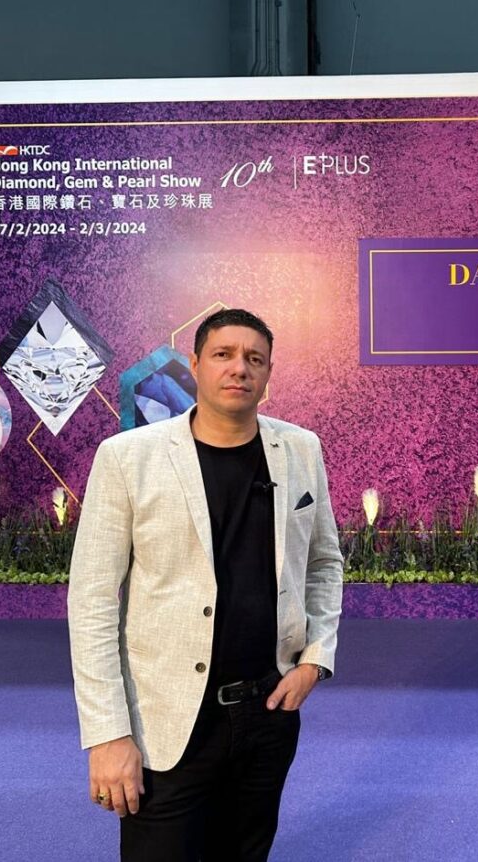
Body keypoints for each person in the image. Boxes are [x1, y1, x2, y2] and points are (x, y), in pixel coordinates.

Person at [67, 308, 343, 861]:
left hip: (268, 712)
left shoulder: (301, 449)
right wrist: (107, 734)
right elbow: (92, 601)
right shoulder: (128, 458)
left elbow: (324, 563)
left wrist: (316, 658)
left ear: (268, 374)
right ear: (194, 365)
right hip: (167, 720)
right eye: (223, 354)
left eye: (254, 358)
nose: (239, 368)